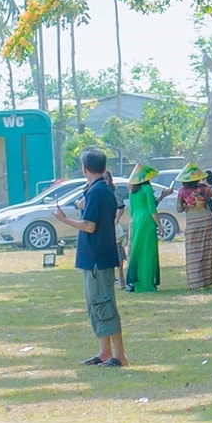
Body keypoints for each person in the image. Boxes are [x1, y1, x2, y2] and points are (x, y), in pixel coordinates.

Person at [52, 149, 127, 366]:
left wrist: (63, 219)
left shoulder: (98, 191)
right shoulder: (98, 190)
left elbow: (89, 226)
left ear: (85, 169)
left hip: (97, 257)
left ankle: (119, 355)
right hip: (96, 256)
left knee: (104, 304)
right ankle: (105, 352)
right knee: (96, 304)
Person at [176, 165, 212, 289]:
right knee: (206, 250)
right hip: (206, 220)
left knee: (192, 251)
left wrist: (188, 205)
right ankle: (207, 280)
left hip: (192, 222)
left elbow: (179, 209)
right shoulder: (204, 188)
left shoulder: (182, 192)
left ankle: (195, 281)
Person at [123, 163, 160, 293]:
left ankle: (135, 281)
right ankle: (147, 282)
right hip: (147, 220)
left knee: (136, 250)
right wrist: (159, 225)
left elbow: (132, 210)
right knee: (148, 251)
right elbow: (152, 209)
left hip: (137, 220)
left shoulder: (132, 191)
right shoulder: (147, 189)